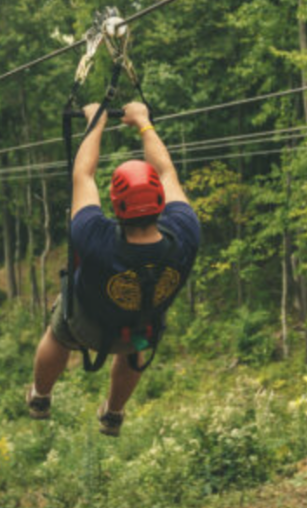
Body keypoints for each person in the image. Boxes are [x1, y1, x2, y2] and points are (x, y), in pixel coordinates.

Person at [26, 101, 201, 435]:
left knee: (57, 331)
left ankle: (40, 395)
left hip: (83, 327)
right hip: (138, 332)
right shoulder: (186, 233)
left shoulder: (94, 236)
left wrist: (95, 122)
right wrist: (144, 124)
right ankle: (114, 413)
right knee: (137, 351)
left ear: (117, 206)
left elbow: (83, 175)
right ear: (161, 202)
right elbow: (167, 173)